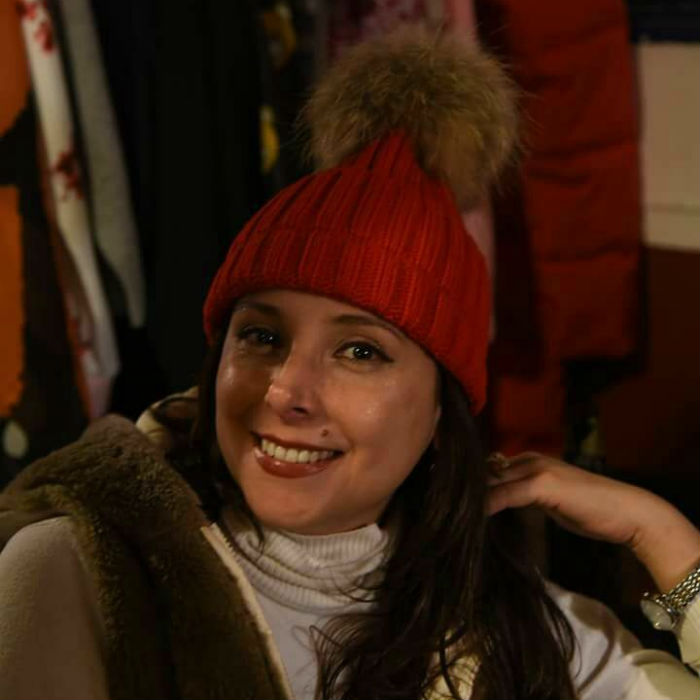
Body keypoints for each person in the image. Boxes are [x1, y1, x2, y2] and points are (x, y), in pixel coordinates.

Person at [1, 27, 699, 700]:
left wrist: (663, 536)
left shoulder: (522, 629)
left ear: (440, 411)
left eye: (360, 351)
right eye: (262, 337)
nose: (286, 390)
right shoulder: (79, 573)